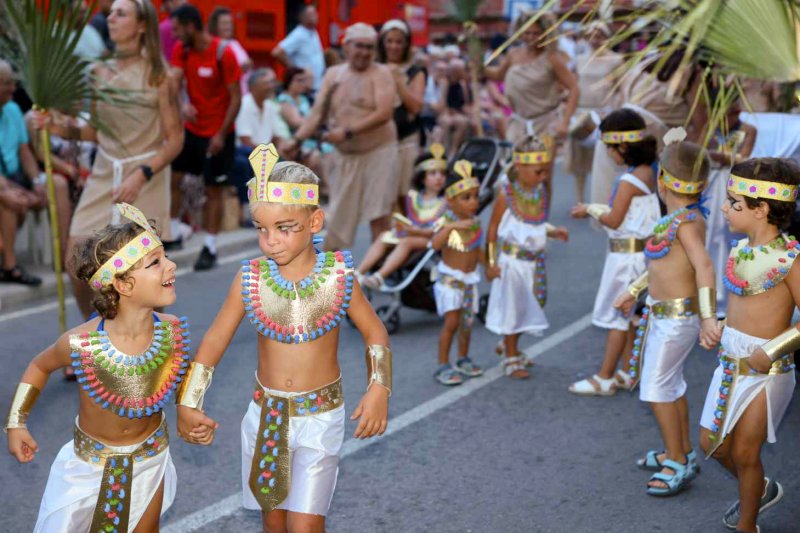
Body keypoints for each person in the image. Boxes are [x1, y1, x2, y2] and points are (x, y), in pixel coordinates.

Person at [175, 144, 391, 533]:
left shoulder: (338, 276)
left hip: (321, 418)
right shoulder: (251, 278)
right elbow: (213, 341)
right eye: (261, 229)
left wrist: (379, 388)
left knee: (306, 526)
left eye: (283, 228)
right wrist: (189, 400)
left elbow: (375, 330)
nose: (270, 240)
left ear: (314, 221)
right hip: (266, 418)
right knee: (273, 524)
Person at [5, 203, 189, 532]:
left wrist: (191, 407)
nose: (171, 266)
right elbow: (38, 366)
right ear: (124, 285)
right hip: (88, 467)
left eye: (165, 257)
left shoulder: (171, 330)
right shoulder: (80, 344)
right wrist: (16, 423)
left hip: (151, 460)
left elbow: (177, 375)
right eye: (156, 262)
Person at [39, 0, 183, 320]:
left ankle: (157, 343)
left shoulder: (161, 75)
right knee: (77, 257)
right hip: (106, 172)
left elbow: (175, 140)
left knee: (144, 271)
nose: (111, 18)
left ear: (142, 24)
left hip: (146, 175)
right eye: (111, 13)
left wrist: (140, 175)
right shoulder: (97, 71)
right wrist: (54, 126)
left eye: (121, 13)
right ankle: (93, 332)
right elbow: (93, 131)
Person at [699, 158, 799, 533]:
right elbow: (745, 307)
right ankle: (758, 489)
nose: (724, 208)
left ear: (762, 209)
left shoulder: (791, 258)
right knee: (712, 443)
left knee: (744, 451)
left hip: (767, 371)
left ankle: (747, 525)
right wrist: (720, 326)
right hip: (729, 364)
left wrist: (772, 350)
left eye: (734, 203)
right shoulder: (741, 250)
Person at [614, 136, 716, 496]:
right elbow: (662, 265)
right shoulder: (678, 218)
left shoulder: (686, 224)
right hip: (664, 317)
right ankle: (682, 451)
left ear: (661, 180)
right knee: (671, 385)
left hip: (677, 322)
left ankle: (676, 460)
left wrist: (708, 317)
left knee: (656, 389)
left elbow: (703, 266)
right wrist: (634, 290)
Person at [568, 109, 660, 396]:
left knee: (616, 317)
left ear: (623, 146)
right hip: (638, 255)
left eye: (609, 148)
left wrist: (590, 209)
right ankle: (627, 371)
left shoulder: (628, 182)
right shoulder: (649, 171)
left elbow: (614, 220)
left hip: (625, 259)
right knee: (630, 316)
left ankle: (605, 377)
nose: (608, 155)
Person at [290, 22, 398, 250]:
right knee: (338, 219)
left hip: (379, 151)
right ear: (346, 46)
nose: (365, 52)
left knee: (378, 215)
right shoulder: (333, 75)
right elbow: (318, 112)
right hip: (346, 156)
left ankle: (378, 272)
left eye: (370, 47)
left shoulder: (381, 74)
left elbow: (384, 113)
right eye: (359, 46)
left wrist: (347, 132)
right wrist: (297, 140)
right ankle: (329, 274)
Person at [485, 136, 569, 379]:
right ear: (519, 167)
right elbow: (492, 230)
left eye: (545, 172)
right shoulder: (506, 196)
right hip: (512, 264)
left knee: (530, 306)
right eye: (538, 172)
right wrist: (490, 263)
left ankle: (510, 344)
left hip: (534, 263)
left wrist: (553, 231)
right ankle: (510, 356)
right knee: (513, 309)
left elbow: (534, 225)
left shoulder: (539, 191)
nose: (543, 177)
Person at [169, 4, 242, 270]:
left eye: (178, 29)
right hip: (193, 130)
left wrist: (221, 134)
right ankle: (174, 233)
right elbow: (175, 82)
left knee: (214, 190)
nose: (175, 35)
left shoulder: (224, 52)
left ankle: (210, 247)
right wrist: (182, 103)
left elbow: (236, 98)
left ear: (191, 26)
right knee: (174, 177)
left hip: (219, 132)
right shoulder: (183, 50)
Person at [1, 59, 72, 287]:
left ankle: (64, 257)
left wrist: (36, 181)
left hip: (16, 177)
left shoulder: (12, 110)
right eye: (6, 83)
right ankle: (10, 266)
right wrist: (9, 190)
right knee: (10, 200)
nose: (13, 88)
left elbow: (25, 153)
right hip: (3, 183)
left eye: (13, 82)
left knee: (57, 184)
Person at [358, 145, 448, 289]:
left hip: (433, 239)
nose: (439, 177)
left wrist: (413, 230)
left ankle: (379, 276)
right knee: (384, 236)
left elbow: (438, 229)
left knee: (407, 242)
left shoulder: (445, 202)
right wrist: (399, 225)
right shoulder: (413, 197)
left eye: (442, 174)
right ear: (423, 178)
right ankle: (358, 274)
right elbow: (408, 219)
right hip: (412, 233)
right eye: (433, 173)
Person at [483, 11, 579, 147]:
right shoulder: (513, 54)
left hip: (545, 124)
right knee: (516, 166)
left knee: (540, 167)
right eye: (527, 33)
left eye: (536, 33)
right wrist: (480, 68)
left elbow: (574, 88)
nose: (531, 37)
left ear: (545, 34)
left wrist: (564, 123)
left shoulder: (552, 58)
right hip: (518, 124)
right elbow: (499, 75)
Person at [431, 160, 484, 386]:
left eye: (475, 196)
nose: (473, 202)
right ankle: (443, 364)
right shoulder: (446, 221)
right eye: (466, 198)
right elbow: (434, 245)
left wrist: (490, 265)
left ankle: (462, 358)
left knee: (467, 323)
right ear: (451, 201)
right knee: (451, 323)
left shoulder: (474, 223)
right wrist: (451, 227)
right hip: (451, 282)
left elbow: (477, 249)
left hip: (469, 283)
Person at [704, 99, 756, 315]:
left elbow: (742, 158)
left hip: (731, 184)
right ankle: (708, 293)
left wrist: (715, 155)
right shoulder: (709, 127)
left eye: (732, 112)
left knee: (729, 237)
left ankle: (726, 296)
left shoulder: (748, 129)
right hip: (711, 184)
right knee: (709, 235)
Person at [564, 21, 623, 204]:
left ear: (606, 38)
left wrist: (614, 111)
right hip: (582, 113)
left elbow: (620, 88)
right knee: (580, 160)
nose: (595, 40)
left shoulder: (616, 60)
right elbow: (573, 85)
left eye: (599, 36)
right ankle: (580, 199)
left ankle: (605, 199)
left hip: (604, 113)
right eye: (591, 36)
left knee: (605, 158)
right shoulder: (580, 60)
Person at [232, 68, 290, 224]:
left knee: (286, 162)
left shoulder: (270, 106)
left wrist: (281, 149)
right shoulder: (245, 105)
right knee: (247, 164)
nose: (272, 86)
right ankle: (248, 212)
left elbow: (277, 136)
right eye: (268, 83)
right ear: (254, 86)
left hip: (263, 153)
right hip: (245, 152)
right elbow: (245, 140)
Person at [378, 19, 427, 200]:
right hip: (380, 141)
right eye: (389, 41)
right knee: (384, 199)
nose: (394, 46)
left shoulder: (416, 71)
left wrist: (398, 80)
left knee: (406, 196)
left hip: (407, 140)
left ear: (406, 44)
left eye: (399, 42)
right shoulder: (375, 69)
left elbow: (415, 107)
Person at [271, 5, 325, 92]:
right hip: (305, 89)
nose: (315, 17)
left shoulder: (313, 32)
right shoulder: (299, 34)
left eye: (315, 13)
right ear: (302, 17)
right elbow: (277, 52)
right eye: (311, 15)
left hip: (316, 86)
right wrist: (295, 70)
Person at [208, 6, 253, 95]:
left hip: (243, 94)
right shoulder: (212, 46)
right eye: (224, 24)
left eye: (230, 23)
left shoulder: (235, 43)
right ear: (215, 26)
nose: (228, 27)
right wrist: (240, 69)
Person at [437, 58, 472, 153]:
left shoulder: (462, 84)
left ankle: (454, 149)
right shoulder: (445, 82)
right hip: (445, 113)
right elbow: (442, 102)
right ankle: (442, 151)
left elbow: (465, 103)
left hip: (458, 113)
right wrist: (447, 112)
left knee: (463, 122)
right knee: (447, 122)